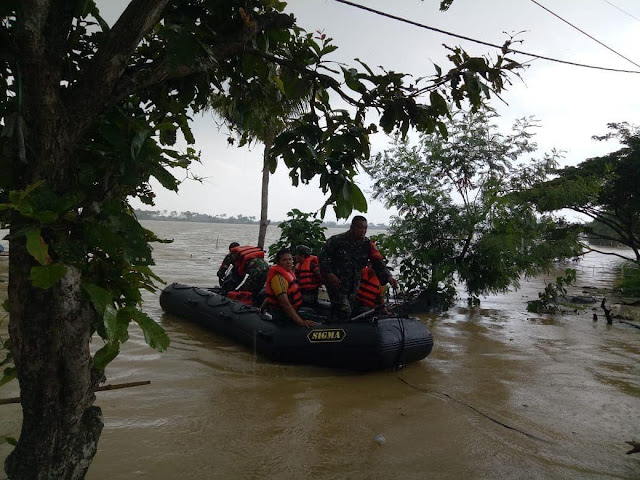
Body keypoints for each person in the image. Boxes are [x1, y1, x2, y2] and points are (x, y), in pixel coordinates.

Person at [319, 215, 397, 321]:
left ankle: (339, 327)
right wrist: (329, 274)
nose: (363, 231)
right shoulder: (336, 241)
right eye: (360, 228)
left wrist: (389, 277)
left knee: (349, 310)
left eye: (365, 228)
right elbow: (322, 258)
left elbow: (378, 262)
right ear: (352, 227)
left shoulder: (367, 244)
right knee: (343, 309)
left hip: (354, 284)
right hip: (336, 282)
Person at [263, 248, 315, 327]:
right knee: (311, 316)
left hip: (291, 310)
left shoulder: (288, 274)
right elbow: (285, 303)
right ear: (279, 262)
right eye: (284, 260)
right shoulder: (278, 279)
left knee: (310, 312)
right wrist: (301, 322)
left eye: (290, 259)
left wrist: (262, 308)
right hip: (283, 315)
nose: (288, 262)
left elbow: (269, 297)